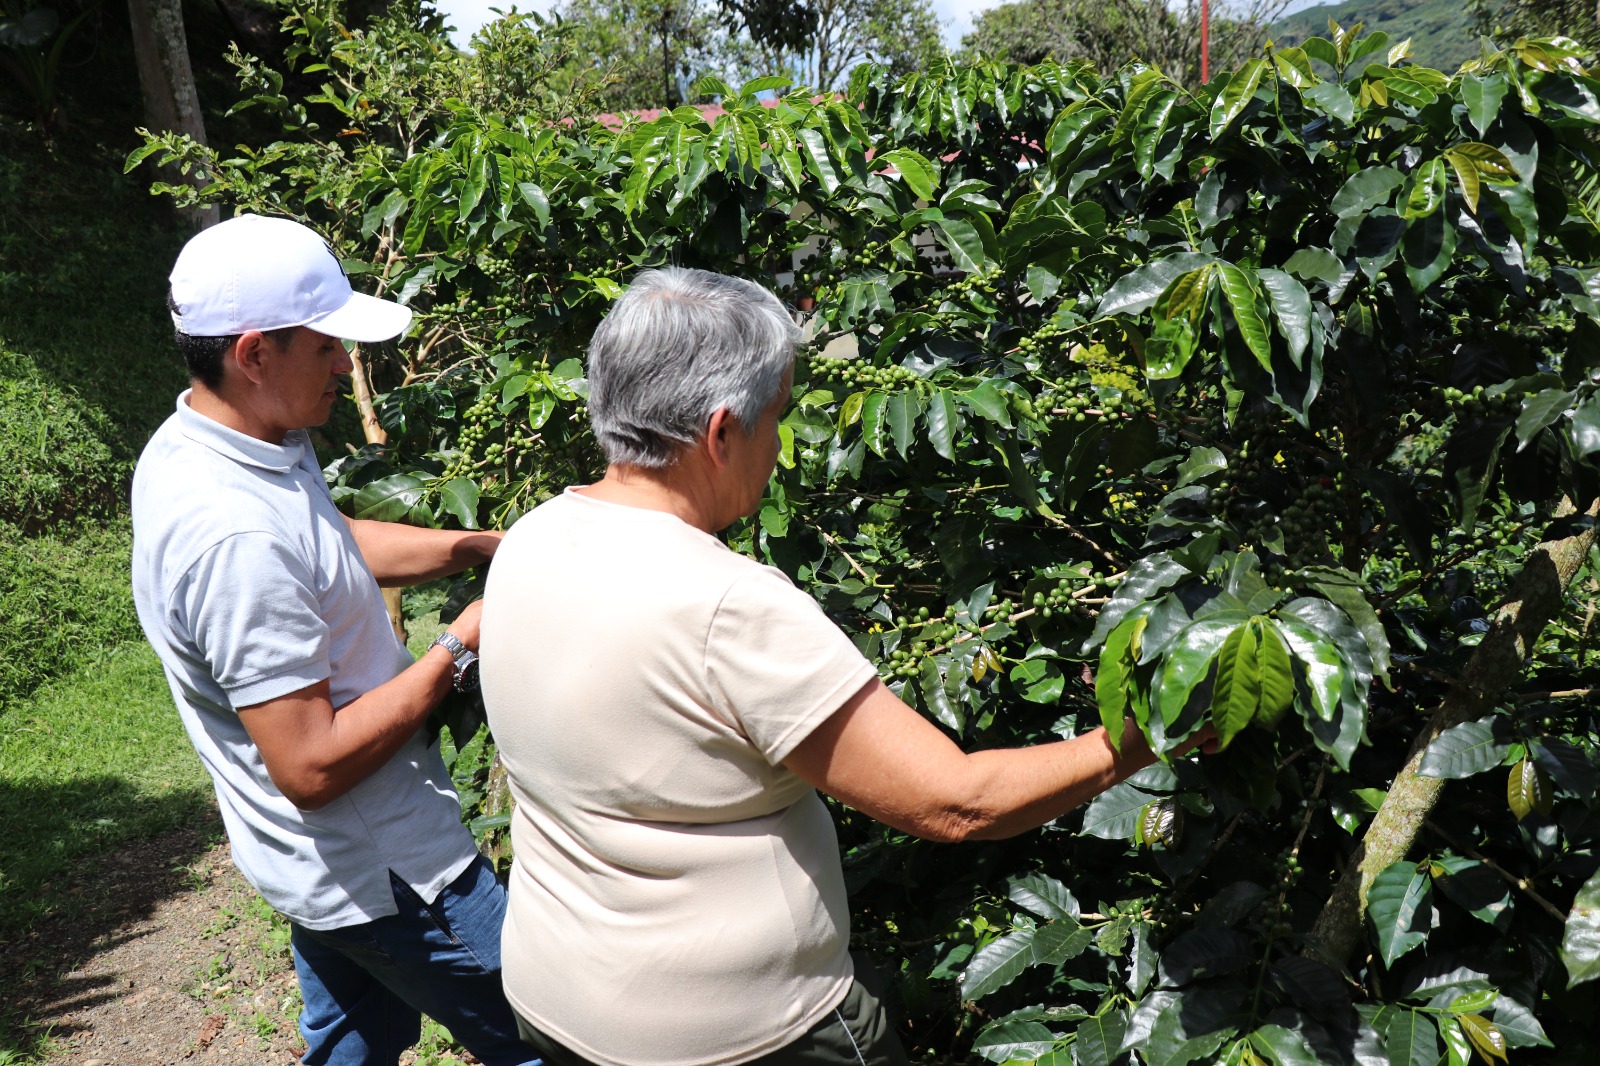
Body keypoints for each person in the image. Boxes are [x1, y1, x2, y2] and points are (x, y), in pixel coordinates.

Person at [479, 267, 1216, 1066]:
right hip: (736, 1038)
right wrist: (1139, 741)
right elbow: (954, 804)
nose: (778, 445)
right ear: (722, 432)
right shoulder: (726, 603)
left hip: (554, 997)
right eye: (776, 419)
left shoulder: (532, 536)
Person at [131, 213, 538, 1066]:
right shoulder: (231, 536)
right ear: (254, 353)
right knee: (545, 1039)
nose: (347, 366)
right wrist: (462, 641)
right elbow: (309, 765)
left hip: (312, 867)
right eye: (328, 347)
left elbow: (327, 540)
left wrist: (478, 550)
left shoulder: (234, 437)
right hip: (386, 866)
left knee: (355, 1040)